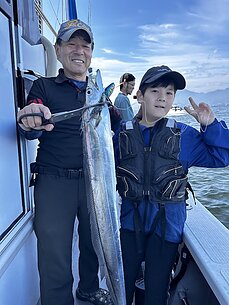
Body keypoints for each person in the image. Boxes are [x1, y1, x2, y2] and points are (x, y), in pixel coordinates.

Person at [17, 19, 118, 305]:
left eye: (85, 45)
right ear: (59, 50)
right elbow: (31, 127)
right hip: (53, 181)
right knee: (54, 253)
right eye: (71, 44)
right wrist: (31, 118)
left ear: (91, 52)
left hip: (94, 181)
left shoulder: (99, 97)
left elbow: (120, 134)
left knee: (93, 244)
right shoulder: (43, 86)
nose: (78, 50)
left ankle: (88, 288)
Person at [113, 65, 229, 305]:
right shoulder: (121, 135)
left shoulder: (184, 135)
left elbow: (221, 157)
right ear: (140, 95)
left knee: (156, 292)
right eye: (155, 90)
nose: (162, 98)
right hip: (128, 226)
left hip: (166, 230)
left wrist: (210, 125)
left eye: (169, 92)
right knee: (121, 290)